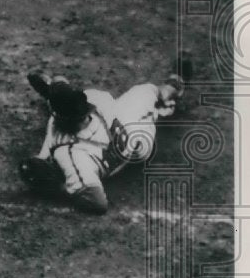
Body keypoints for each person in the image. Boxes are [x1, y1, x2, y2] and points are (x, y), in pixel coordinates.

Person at [19, 70, 185, 214]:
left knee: (147, 90)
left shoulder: (69, 151)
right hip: (134, 143)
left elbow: (97, 203)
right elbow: (99, 203)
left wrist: (61, 188)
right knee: (147, 102)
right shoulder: (94, 101)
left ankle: (169, 92)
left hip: (123, 126)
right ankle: (169, 95)